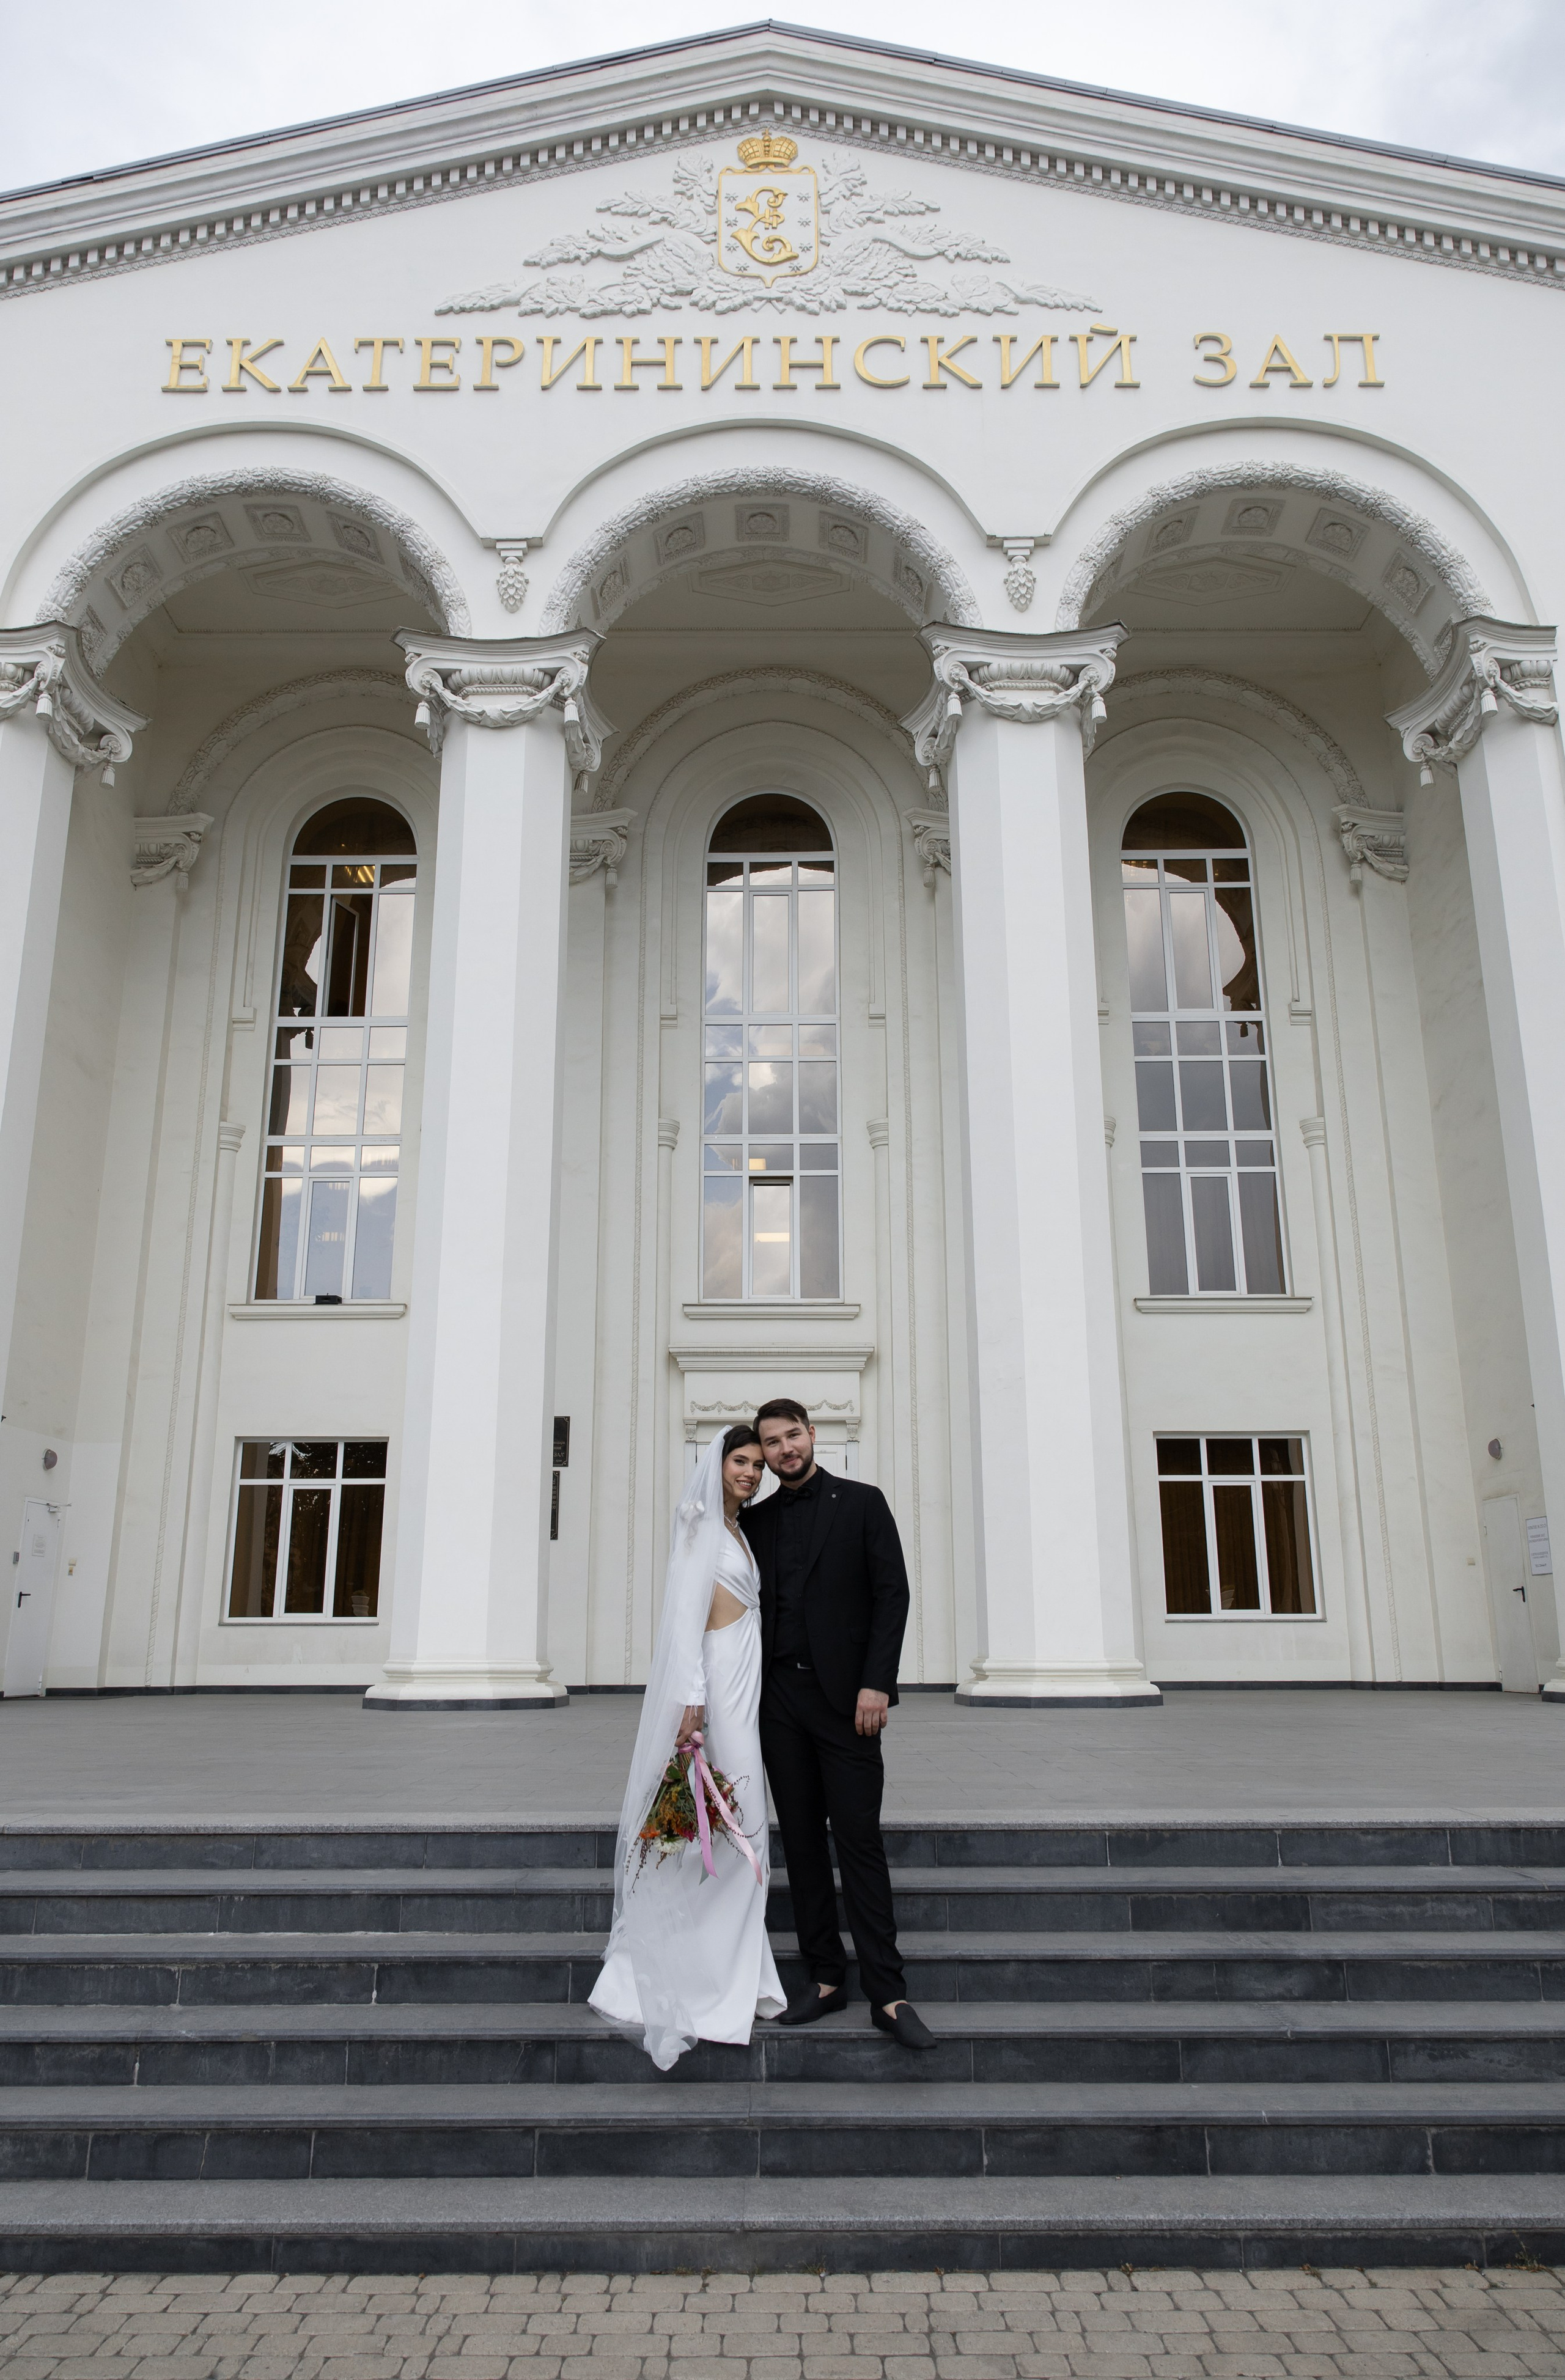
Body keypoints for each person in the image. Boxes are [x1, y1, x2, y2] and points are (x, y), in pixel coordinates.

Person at [590, 1425, 785, 2068]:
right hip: (717, 1683)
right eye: (741, 1461)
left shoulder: (736, 1528)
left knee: (741, 1828)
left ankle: (734, 1969)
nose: (752, 1473)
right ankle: (700, 1979)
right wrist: (692, 1698)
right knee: (734, 1824)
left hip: (744, 1675)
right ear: (717, 1463)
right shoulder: (700, 1524)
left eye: (758, 1465)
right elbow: (685, 1615)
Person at [743, 1398, 935, 2051]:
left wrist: (876, 1681)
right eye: (771, 1443)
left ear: (812, 1434)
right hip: (778, 1704)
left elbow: (893, 1593)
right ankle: (826, 1978)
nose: (784, 1449)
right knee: (798, 1841)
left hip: (849, 1702)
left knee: (857, 1841)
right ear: (764, 1454)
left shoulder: (862, 1502)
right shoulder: (755, 1521)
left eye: (791, 1435)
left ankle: (888, 1992)